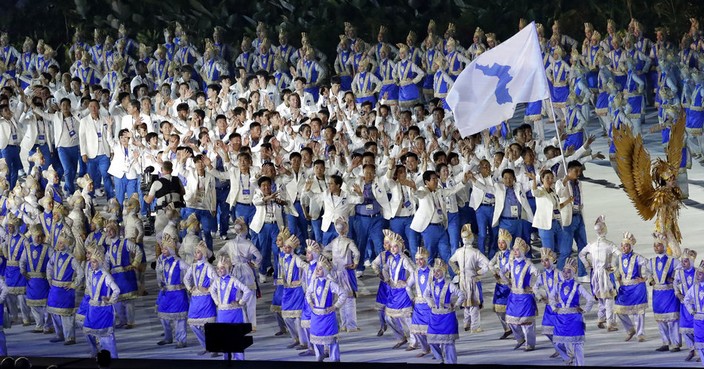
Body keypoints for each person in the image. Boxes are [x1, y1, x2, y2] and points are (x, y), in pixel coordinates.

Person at [549, 257, 595, 366]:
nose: (565, 274)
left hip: (574, 318)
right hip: (561, 319)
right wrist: (554, 307)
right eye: (564, 271)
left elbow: (590, 298)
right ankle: (568, 358)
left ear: (573, 273)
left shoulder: (578, 286)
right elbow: (550, 297)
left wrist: (584, 310)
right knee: (557, 343)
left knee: (577, 345)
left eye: (568, 271)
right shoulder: (558, 285)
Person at [217, 217, 262, 329]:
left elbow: (219, 253)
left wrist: (225, 263)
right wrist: (255, 264)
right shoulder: (248, 244)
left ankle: (243, 322)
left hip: (234, 270)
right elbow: (259, 257)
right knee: (250, 300)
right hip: (247, 269)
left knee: (239, 298)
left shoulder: (230, 243)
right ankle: (252, 325)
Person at [578, 215, 619, 331]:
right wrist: (614, 266)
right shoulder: (610, 245)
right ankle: (610, 323)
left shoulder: (591, 245)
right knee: (609, 298)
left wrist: (587, 264)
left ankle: (601, 318)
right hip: (605, 274)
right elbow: (620, 255)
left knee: (601, 297)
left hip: (595, 274)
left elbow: (581, 254)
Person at [210, 254, 253, 361]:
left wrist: (241, 302)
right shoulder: (217, 281)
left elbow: (247, 291)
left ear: (228, 268)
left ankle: (239, 361)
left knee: (236, 339)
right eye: (218, 268)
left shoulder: (234, 280)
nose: (220, 270)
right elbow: (212, 290)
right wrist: (216, 301)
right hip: (222, 314)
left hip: (234, 314)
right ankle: (227, 361)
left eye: (222, 268)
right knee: (224, 340)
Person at [449, 224, 489, 333]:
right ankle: (475, 326)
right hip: (472, 279)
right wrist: (479, 272)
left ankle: (466, 323)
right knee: (474, 303)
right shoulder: (475, 252)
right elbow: (487, 264)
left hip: (462, 279)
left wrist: (457, 271)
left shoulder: (458, 251)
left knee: (466, 301)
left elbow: (451, 261)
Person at [306, 255, 346, 362]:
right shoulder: (313, 282)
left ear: (324, 270)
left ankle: (334, 360)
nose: (317, 271)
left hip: (328, 316)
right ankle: (319, 358)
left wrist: (335, 306)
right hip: (316, 317)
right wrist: (310, 303)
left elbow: (343, 293)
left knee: (332, 341)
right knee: (316, 340)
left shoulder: (330, 283)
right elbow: (308, 293)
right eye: (317, 269)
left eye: (320, 269)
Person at [424, 258, 465, 364]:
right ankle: (439, 359)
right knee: (432, 340)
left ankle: (451, 362)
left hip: (447, 316)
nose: (436, 273)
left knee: (448, 343)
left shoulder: (449, 284)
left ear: (443, 271)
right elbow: (426, 295)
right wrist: (430, 302)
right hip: (435, 316)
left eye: (438, 271)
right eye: (434, 271)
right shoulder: (431, 284)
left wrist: (456, 305)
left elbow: (461, 294)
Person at [323, 217, 359, 333]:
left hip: (335, 271)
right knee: (349, 299)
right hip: (346, 272)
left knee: (340, 297)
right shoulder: (349, 242)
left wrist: (330, 261)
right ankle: (351, 325)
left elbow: (324, 251)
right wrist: (355, 263)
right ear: (346, 228)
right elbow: (357, 253)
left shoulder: (333, 242)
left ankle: (343, 324)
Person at [104, 220, 142, 329]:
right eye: (107, 231)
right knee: (117, 300)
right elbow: (107, 263)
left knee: (128, 301)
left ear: (115, 230)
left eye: (111, 230)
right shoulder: (109, 248)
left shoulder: (125, 242)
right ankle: (122, 320)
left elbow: (138, 250)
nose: (109, 233)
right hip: (115, 277)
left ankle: (130, 321)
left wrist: (134, 264)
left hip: (126, 276)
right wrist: (106, 275)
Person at [615, 232, 651, 342]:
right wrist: (619, 279)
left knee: (638, 312)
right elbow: (616, 269)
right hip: (624, 288)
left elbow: (649, 265)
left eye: (626, 246)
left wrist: (644, 278)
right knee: (619, 311)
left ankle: (640, 333)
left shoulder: (637, 257)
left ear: (631, 247)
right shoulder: (619, 258)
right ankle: (630, 329)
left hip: (637, 288)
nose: (623, 248)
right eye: (622, 245)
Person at [46, 232, 82, 345]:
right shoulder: (55, 255)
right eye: (59, 242)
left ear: (66, 244)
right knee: (54, 313)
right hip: (55, 289)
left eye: (62, 243)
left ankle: (70, 337)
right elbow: (49, 266)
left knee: (67, 315)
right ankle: (59, 334)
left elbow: (80, 273)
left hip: (66, 291)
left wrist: (74, 284)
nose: (59, 244)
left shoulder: (72, 258)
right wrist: (50, 279)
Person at [503, 237, 538, 351]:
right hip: (514, 296)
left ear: (522, 250)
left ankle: (530, 343)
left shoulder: (528, 264)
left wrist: (532, 287)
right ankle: (520, 339)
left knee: (527, 322)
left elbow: (537, 274)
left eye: (517, 249)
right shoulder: (512, 263)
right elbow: (501, 271)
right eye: (514, 249)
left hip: (525, 296)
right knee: (511, 321)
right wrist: (508, 282)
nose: (515, 252)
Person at [84, 249, 120, 359]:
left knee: (107, 338)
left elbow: (116, 290)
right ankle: (97, 353)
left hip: (104, 310)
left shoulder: (106, 275)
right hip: (93, 309)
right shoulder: (91, 274)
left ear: (99, 262)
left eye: (94, 262)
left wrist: (110, 299)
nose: (92, 264)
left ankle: (113, 360)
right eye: (91, 262)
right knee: (88, 331)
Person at [155, 236, 189, 348]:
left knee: (179, 319)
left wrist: (187, 283)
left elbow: (190, 270)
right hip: (166, 293)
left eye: (165, 249)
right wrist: (160, 282)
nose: (163, 251)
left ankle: (181, 340)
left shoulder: (179, 262)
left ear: (170, 250)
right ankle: (168, 337)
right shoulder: (163, 261)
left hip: (178, 293)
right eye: (162, 249)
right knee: (163, 316)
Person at [650, 232, 682, 352]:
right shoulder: (651, 261)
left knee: (673, 320)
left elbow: (680, 271)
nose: (656, 247)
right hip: (657, 294)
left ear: (664, 246)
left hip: (669, 293)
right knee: (660, 320)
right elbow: (648, 273)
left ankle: (676, 343)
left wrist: (674, 278)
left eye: (658, 245)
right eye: (654, 245)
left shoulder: (673, 260)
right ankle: (665, 342)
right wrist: (650, 280)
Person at [184, 241, 217, 356]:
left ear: (203, 254)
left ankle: (214, 348)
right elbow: (186, 278)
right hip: (195, 300)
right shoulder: (193, 266)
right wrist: (189, 288)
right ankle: (206, 345)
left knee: (209, 325)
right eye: (195, 252)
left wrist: (208, 289)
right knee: (193, 324)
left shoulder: (208, 267)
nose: (195, 254)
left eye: (198, 252)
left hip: (206, 299)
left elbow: (216, 280)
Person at [79, 100, 115, 199]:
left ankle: (110, 198)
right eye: (91, 106)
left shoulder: (105, 119)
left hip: (104, 152)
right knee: (91, 178)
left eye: (95, 106)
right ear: (88, 108)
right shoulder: (84, 121)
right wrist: (83, 153)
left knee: (106, 175)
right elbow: (82, 139)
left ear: (99, 107)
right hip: (91, 154)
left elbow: (110, 135)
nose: (93, 109)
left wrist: (112, 150)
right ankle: (90, 197)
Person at [21, 224, 52, 334]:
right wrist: (23, 271)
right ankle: (39, 325)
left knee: (45, 304)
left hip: (43, 280)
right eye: (36, 236)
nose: (38, 239)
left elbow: (53, 262)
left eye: (40, 236)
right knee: (33, 305)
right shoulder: (27, 247)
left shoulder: (48, 248)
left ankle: (47, 326)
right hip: (31, 280)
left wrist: (50, 275)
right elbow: (23, 261)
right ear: (33, 236)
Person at [144, 161, 185, 235]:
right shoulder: (177, 180)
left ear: (161, 169)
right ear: (171, 170)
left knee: (160, 234)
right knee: (175, 233)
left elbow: (148, 201)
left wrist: (144, 196)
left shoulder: (157, 183)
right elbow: (183, 192)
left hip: (163, 211)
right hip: (176, 210)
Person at [407, 246, 431, 357]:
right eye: (417, 259)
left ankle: (438, 349)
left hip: (430, 305)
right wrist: (412, 298)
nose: (418, 262)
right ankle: (425, 349)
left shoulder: (432, 272)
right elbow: (407, 287)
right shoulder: (415, 273)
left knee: (433, 329)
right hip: (418, 305)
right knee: (418, 330)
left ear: (426, 259)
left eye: (421, 259)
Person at [489, 229, 513, 340]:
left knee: (511, 309)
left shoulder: (512, 255)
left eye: (503, 242)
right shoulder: (497, 255)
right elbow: (490, 264)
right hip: (500, 286)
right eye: (499, 242)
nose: (500, 245)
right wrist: (495, 272)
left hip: (510, 285)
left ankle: (515, 327)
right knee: (499, 310)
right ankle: (507, 328)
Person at [675, 248, 698, 361]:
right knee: (685, 329)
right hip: (684, 305)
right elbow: (675, 284)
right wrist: (678, 294)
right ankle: (692, 349)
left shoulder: (698, 272)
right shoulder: (679, 273)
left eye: (686, 261)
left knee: (698, 329)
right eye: (682, 261)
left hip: (697, 306)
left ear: (691, 262)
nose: (683, 263)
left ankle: (700, 351)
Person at [682, 260, 704, 364]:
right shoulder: (694, 287)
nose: (698, 276)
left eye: (701, 273)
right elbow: (686, 300)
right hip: (698, 320)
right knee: (699, 343)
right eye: (698, 273)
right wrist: (692, 311)